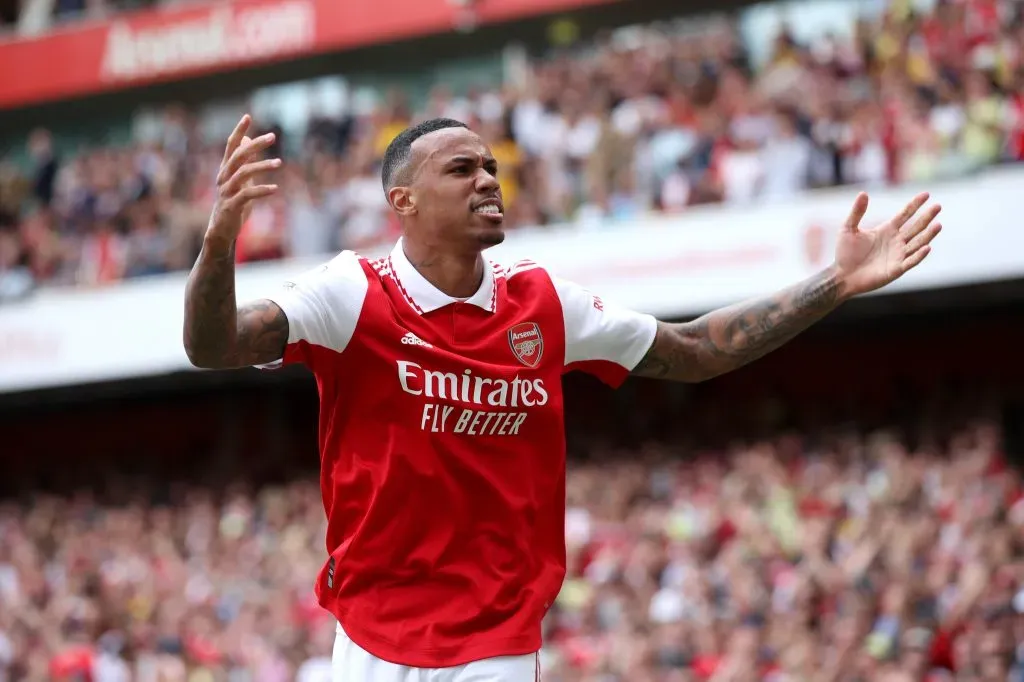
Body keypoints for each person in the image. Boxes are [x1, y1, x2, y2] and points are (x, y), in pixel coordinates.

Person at [182, 115, 942, 682]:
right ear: (402, 202)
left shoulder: (544, 304)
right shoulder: (351, 294)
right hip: (370, 634)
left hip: (497, 639)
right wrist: (220, 240)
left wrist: (835, 283)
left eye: (489, 165)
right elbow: (211, 347)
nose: (487, 178)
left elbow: (700, 350)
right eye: (461, 169)